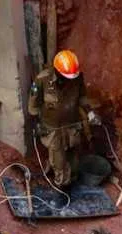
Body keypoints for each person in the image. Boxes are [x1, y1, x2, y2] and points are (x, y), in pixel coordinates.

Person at [28, 49, 100, 189]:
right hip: (52, 129)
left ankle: (70, 179)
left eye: (71, 77)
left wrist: (91, 114)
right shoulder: (42, 80)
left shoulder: (77, 78)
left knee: (73, 161)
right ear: (56, 71)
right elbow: (33, 105)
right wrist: (37, 124)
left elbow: (82, 98)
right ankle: (61, 189)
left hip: (72, 126)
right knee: (59, 162)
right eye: (66, 77)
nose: (69, 80)